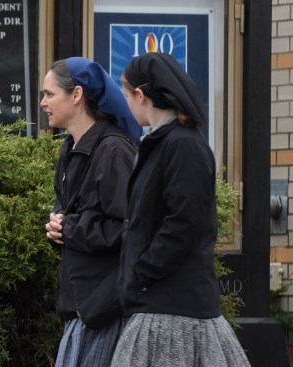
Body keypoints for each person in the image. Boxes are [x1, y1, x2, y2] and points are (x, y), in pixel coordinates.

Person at [111, 52, 250, 367]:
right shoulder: (163, 143)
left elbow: (184, 224)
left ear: (141, 95)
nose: (126, 104)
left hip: (176, 313)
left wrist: (142, 272)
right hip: (159, 306)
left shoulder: (182, 144)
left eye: (126, 95)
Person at [42, 57, 140, 367]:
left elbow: (129, 227)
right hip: (83, 304)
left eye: (49, 94)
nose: (43, 103)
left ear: (76, 95)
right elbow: (73, 214)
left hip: (106, 310)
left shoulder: (114, 150)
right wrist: (56, 227)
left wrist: (68, 228)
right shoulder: (69, 148)